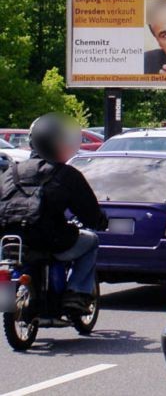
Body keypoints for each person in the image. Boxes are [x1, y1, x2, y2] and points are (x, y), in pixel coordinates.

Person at [0, 114, 108, 314]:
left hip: (10, 239)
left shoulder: (11, 172)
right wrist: (100, 221)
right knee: (91, 240)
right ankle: (76, 293)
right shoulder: (65, 174)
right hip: (50, 239)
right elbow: (88, 210)